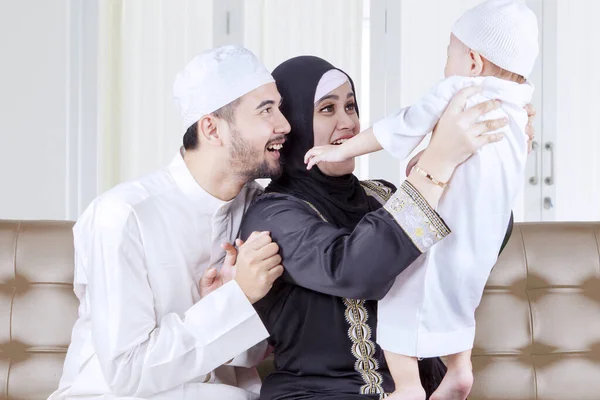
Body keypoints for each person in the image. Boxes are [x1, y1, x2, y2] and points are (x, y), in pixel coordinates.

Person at [239, 55, 532, 400]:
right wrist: (437, 163)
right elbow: (354, 270)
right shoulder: (273, 214)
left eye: (350, 106)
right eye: (327, 109)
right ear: (295, 123)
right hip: (323, 393)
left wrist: (491, 163)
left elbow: (470, 240)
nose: (348, 122)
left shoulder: (381, 195)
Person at [303, 1, 539, 399]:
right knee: (459, 299)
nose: (446, 65)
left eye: (450, 54)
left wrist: (342, 151)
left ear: (474, 62)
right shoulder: (518, 110)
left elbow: (400, 125)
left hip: (442, 227)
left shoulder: (461, 89)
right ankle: (460, 370)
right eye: (328, 108)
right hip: (484, 235)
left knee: (401, 288)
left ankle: (408, 387)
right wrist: (432, 157)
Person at [49, 45, 291, 399]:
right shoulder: (122, 215)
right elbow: (128, 372)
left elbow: (248, 355)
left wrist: (224, 303)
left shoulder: (262, 209)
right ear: (212, 129)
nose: (284, 124)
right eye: (265, 110)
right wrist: (236, 299)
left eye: (279, 108)